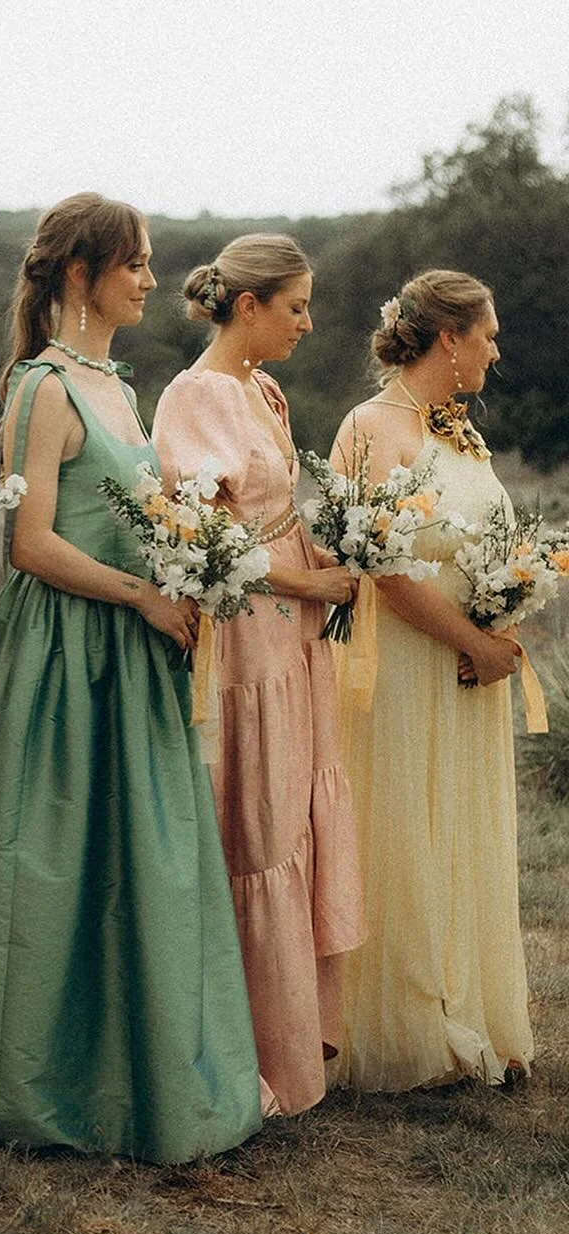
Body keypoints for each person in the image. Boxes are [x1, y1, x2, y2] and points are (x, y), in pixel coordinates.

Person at [0, 194, 262, 1161]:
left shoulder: (117, 386)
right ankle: (29, 1085)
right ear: (78, 274)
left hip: (133, 655)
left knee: (135, 863)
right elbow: (26, 546)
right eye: (134, 262)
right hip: (66, 655)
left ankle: (129, 1072)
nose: (151, 277)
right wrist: (143, 596)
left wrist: (189, 544)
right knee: (50, 862)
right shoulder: (42, 388)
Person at [152, 234, 365, 1118]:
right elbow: (198, 535)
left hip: (296, 635)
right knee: (260, 825)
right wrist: (305, 579)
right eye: (296, 306)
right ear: (248, 306)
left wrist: (345, 549)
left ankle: (302, 1037)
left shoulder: (262, 389)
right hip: (245, 639)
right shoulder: (197, 395)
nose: (308, 324)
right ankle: (255, 1051)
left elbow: (273, 511)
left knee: (297, 815)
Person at [329, 270, 532, 1090]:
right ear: (447, 339)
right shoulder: (376, 427)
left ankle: (468, 1007)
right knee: (405, 829)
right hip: (408, 667)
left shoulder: (456, 429)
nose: (494, 348)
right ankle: (407, 1028)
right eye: (485, 334)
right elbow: (383, 570)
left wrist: (507, 612)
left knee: (462, 827)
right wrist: (472, 642)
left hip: (467, 668)